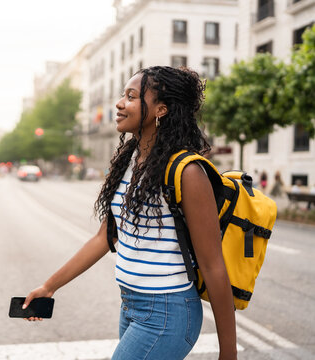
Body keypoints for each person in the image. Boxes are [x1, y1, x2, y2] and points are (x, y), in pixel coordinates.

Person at [22, 66, 237, 360]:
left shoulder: (187, 172)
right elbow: (103, 238)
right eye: (123, 95)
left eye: (132, 96)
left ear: (161, 109)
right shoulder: (129, 162)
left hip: (167, 314)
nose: (119, 104)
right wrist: (50, 286)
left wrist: (228, 352)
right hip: (131, 306)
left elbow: (213, 266)